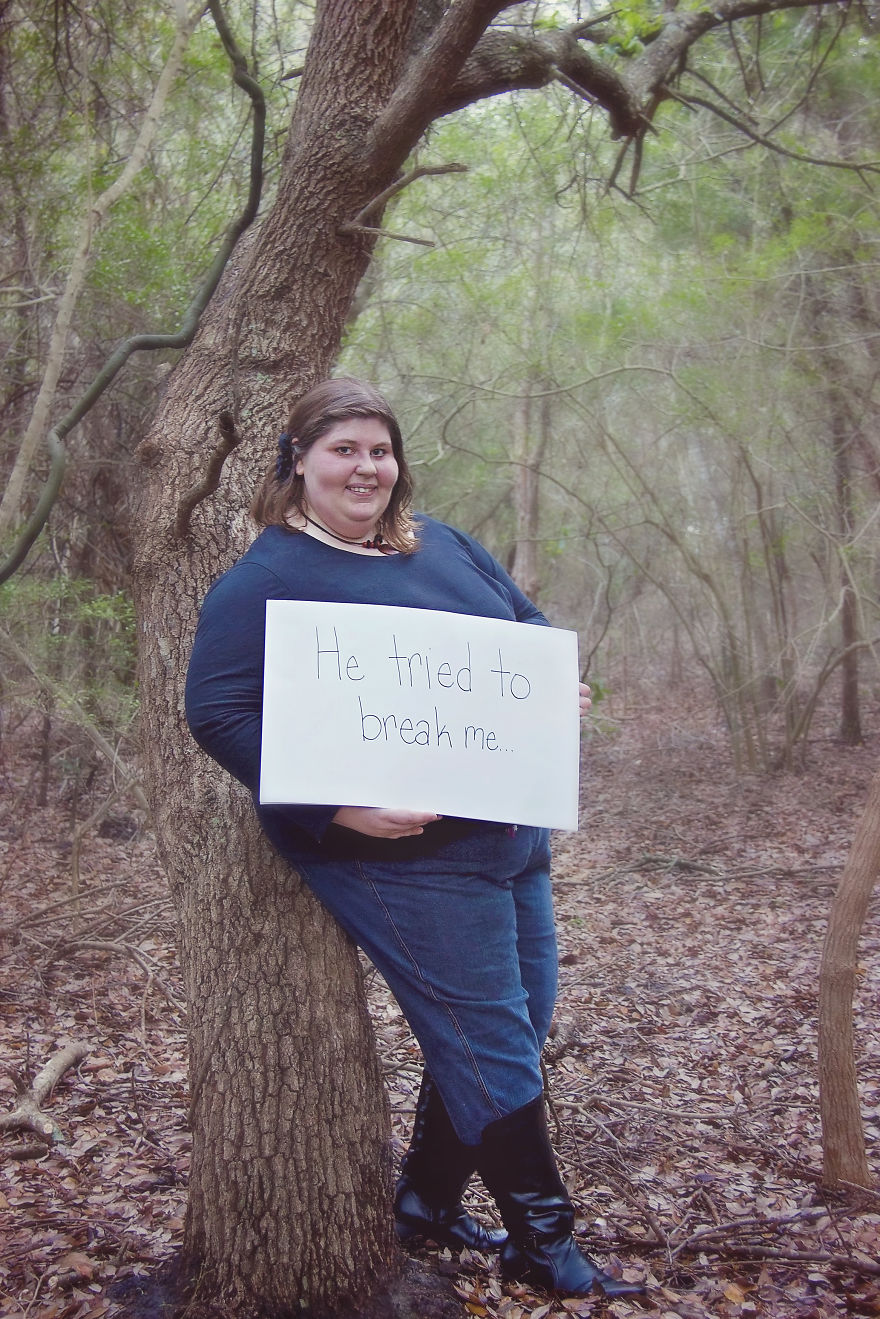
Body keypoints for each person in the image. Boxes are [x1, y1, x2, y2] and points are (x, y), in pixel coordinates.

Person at [185, 377, 641, 1299]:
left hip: (507, 831)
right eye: (344, 449)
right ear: (299, 461)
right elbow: (217, 713)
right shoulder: (266, 579)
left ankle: (427, 1205)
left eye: (379, 450)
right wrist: (335, 806)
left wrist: (556, 687)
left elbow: (527, 629)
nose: (366, 467)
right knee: (491, 1038)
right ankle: (543, 1242)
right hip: (393, 854)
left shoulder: (444, 546)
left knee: (519, 1021)